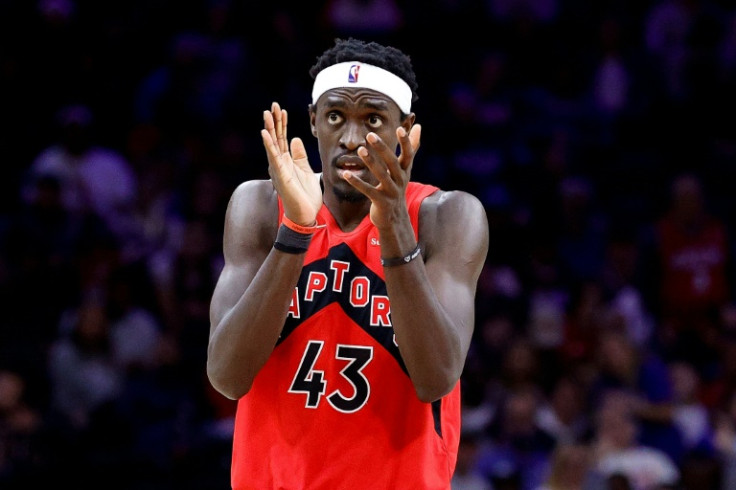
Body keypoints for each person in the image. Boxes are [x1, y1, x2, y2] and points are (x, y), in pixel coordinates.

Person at [207, 37, 489, 489]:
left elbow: (435, 378)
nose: (352, 139)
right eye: (336, 116)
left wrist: (395, 225)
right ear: (314, 121)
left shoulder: (447, 217)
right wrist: (297, 232)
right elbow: (226, 375)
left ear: (407, 128)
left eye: (373, 119)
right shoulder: (259, 206)